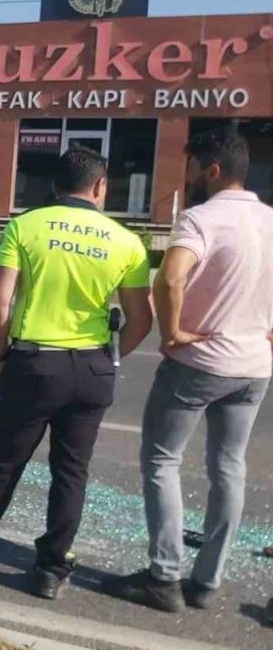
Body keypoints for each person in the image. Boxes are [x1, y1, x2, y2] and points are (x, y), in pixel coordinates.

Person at [0, 146, 153, 600]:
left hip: (34, 364)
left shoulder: (25, 226)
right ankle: (51, 569)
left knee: (5, 461)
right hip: (92, 368)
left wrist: (2, 356)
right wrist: (110, 359)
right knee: (72, 472)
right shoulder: (127, 241)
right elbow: (141, 320)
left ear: (55, 185)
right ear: (100, 186)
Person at [104, 129, 273, 613]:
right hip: (254, 368)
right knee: (229, 467)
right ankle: (206, 581)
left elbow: (170, 278)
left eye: (194, 167)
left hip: (200, 363)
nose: (189, 176)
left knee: (162, 460)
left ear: (212, 170)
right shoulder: (269, 219)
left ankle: (164, 577)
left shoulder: (200, 219)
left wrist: (173, 332)